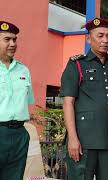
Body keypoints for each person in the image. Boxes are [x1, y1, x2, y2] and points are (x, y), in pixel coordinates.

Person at [60, 17, 108, 180]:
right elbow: (68, 102)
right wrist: (72, 138)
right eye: (100, 35)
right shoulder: (76, 64)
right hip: (83, 141)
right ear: (88, 38)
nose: (105, 40)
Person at [0, 21, 34, 180]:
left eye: (15, 40)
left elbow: (27, 103)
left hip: (20, 134)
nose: (13, 44)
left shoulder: (24, 70)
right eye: (7, 39)